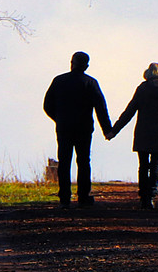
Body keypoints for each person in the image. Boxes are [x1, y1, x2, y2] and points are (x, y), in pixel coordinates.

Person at [43, 51, 113, 207]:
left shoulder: (59, 81)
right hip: (84, 127)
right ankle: (83, 196)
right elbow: (101, 107)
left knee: (64, 160)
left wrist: (59, 118)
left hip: (64, 127)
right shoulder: (90, 83)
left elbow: (47, 105)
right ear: (86, 66)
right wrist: (107, 129)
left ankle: (64, 198)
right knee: (83, 160)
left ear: (71, 62)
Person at [108, 62, 158, 209]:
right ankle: (152, 195)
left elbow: (129, 111)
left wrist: (114, 130)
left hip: (142, 132)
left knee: (143, 166)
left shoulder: (142, 89)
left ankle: (143, 197)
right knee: (155, 166)